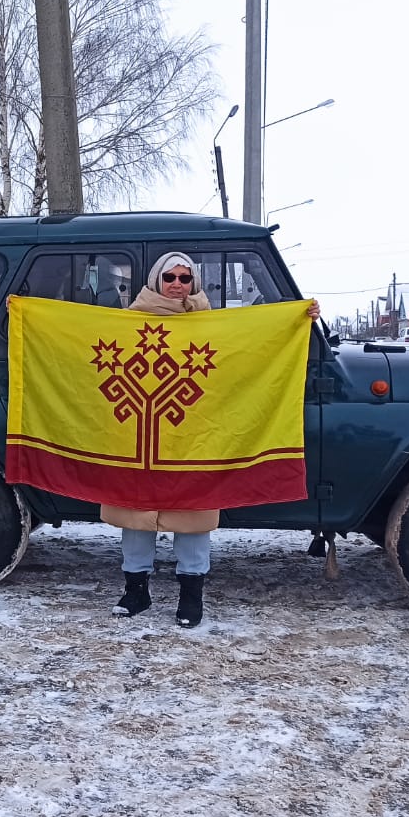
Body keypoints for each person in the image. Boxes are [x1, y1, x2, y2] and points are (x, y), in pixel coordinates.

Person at [103, 251, 319, 627]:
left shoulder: (213, 326)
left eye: (185, 278)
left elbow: (251, 347)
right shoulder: (126, 323)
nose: (176, 284)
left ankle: (191, 596)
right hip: (139, 437)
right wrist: (29, 316)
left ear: (195, 283)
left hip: (195, 436)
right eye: (169, 276)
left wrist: (300, 319)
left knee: (193, 518)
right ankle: (135, 591)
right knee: (136, 516)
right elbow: (79, 341)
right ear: (155, 280)